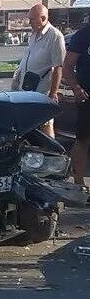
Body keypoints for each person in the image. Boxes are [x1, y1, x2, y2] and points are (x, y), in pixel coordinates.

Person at [11, 4, 65, 139]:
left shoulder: (55, 36)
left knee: (45, 124)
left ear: (43, 18)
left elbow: (58, 66)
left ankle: (51, 154)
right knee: (28, 125)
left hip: (42, 90)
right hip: (26, 88)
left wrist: (53, 94)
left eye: (32, 19)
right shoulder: (33, 35)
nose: (29, 23)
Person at [62, 18, 90, 187]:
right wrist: (76, 89)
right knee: (83, 139)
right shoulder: (83, 36)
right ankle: (79, 184)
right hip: (87, 98)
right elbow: (67, 66)